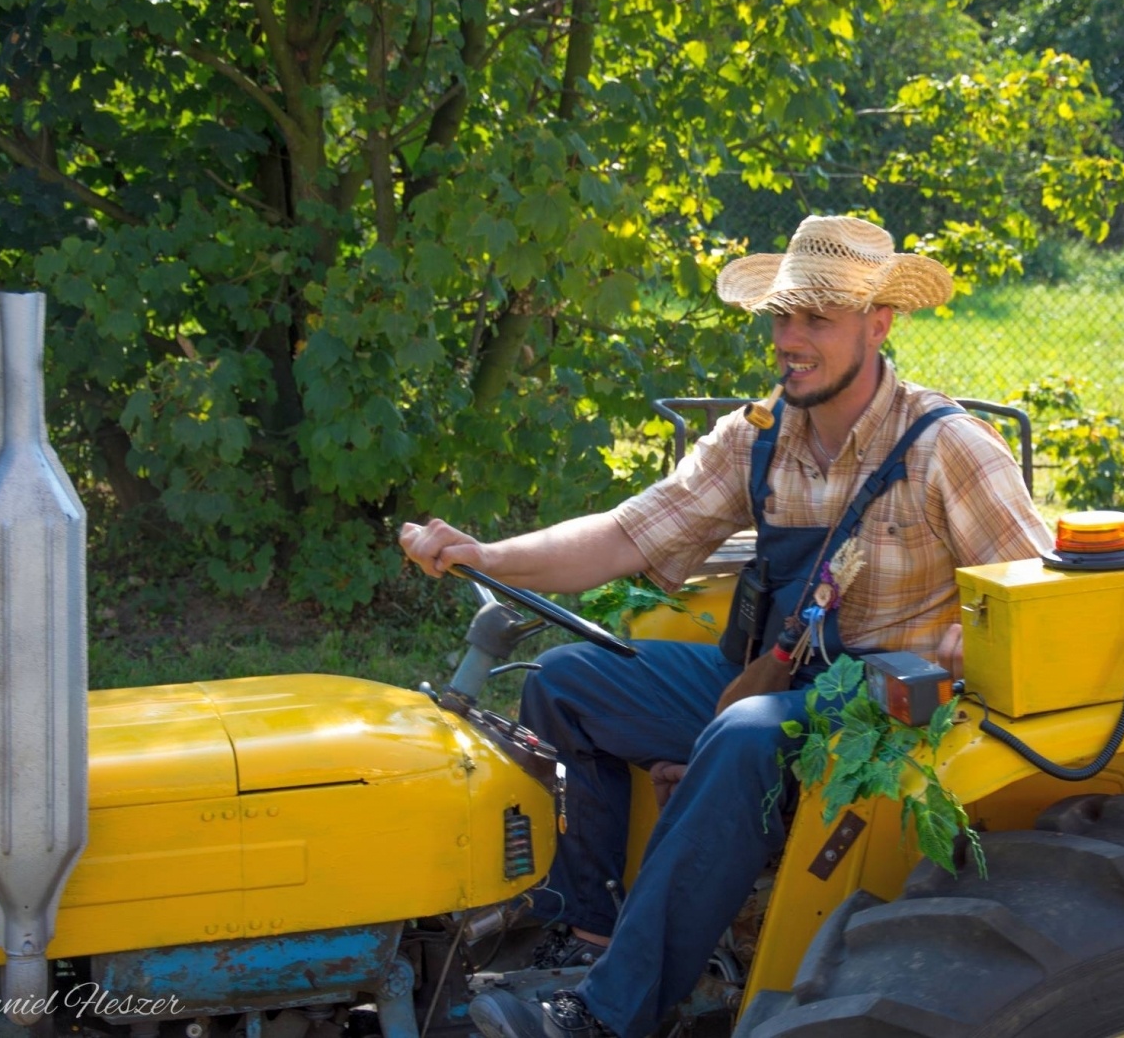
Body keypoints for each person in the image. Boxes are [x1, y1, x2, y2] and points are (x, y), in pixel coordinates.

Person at [399, 215, 1050, 1038]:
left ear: (879, 323)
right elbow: (626, 533)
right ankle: (581, 931)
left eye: (817, 319)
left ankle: (611, 1014)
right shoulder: (758, 437)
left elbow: (1036, 591)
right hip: (776, 677)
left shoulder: (947, 446)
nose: (791, 340)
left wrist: (971, 637)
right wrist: (485, 552)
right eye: (784, 317)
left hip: (881, 706)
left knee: (743, 734)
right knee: (567, 683)